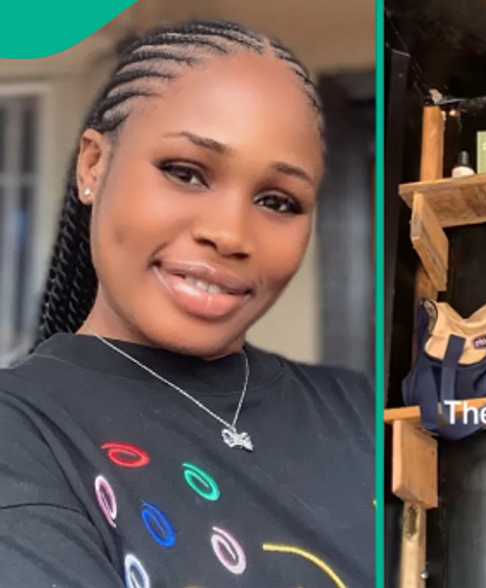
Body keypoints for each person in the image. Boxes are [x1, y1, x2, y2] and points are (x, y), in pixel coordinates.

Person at [0, 21, 374, 587]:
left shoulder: (361, 407)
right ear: (93, 166)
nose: (228, 234)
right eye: (185, 172)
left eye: (278, 201)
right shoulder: (24, 434)